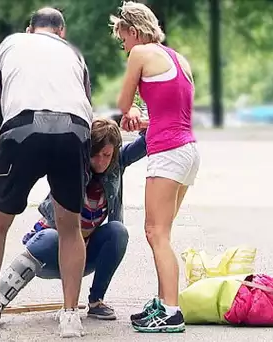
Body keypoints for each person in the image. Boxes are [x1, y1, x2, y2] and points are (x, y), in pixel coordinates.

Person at [0, 7, 94, 339]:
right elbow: (86, 113)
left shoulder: (9, 45)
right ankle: (70, 317)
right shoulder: (75, 56)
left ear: (29, 29)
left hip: (21, 131)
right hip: (73, 132)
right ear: (61, 32)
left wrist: (0, 155)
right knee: (70, 227)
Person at [0, 117, 147, 324]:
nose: (101, 161)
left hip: (84, 254)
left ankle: (96, 302)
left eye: (107, 155)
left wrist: (137, 116)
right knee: (49, 237)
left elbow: (150, 139)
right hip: (51, 252)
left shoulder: (117, 162)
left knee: (117, 231)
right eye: (95, 154)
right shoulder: (73, 163)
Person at [109, 1, 201, 334]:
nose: (124, 48)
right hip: (188, 150)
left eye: (123, 40)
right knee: (163, 233)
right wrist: (143, 119)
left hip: (168, 153)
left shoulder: (141, 54)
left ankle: (172, 312)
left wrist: (129, 112)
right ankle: (164, 304)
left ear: (133, 31)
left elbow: (122, 103)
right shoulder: (178, 58)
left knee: (155, 233)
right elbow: (172, 114)